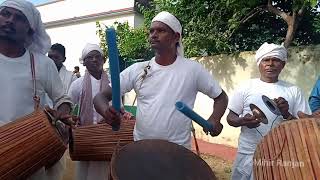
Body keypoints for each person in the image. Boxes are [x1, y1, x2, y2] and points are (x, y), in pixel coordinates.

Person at [93, 11, 228, 149]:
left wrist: (215, 118)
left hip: (178, 151)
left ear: (176, 37)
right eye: (151, 31)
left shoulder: (193, 70)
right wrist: (106, 112)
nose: (153, 35)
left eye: (161, 30)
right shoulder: (137, 70)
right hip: (142, 149)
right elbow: (100, 97)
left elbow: (221, 97)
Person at [0, 0, 73, 180]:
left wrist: (61, 113)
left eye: (18, 18)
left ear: (30, 29)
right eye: (5, 14)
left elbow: (63, 99)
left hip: (30, 156)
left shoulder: (42, 63)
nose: (9, 20)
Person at [227, 42, 311, 180]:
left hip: (281, 156)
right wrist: (242, 121)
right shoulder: (245, 86)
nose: (270, 64)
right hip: (249, 154)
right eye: (266, 59)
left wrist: (287, 114)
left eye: (276, 60)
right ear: (259, 63)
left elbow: (304, 127)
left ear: (283, 65)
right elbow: (231, 118)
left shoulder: (293, 91)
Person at [68, 43, 110, 180]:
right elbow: (68, 105)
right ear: (83, 62)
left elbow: (118, 106)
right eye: (90, 57)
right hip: (84, 134)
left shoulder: (112, 82)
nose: (94, 60)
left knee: (103, 170)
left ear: (103, 60)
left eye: (98, 56)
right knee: (84, 171)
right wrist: (71, 118)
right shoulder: (77, 84)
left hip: (106, 134)